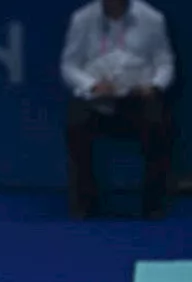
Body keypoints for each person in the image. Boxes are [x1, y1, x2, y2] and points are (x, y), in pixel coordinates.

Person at [60, 0, 176, 219]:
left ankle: (153, 204)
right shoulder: (81, 19)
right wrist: (91, 85)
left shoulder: (152, 18)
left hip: (138, 97)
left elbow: (165, 63)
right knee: (76, 123)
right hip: (96, 98)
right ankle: (85, 203)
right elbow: (69, 65)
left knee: (159, 123)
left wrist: (154, 86)